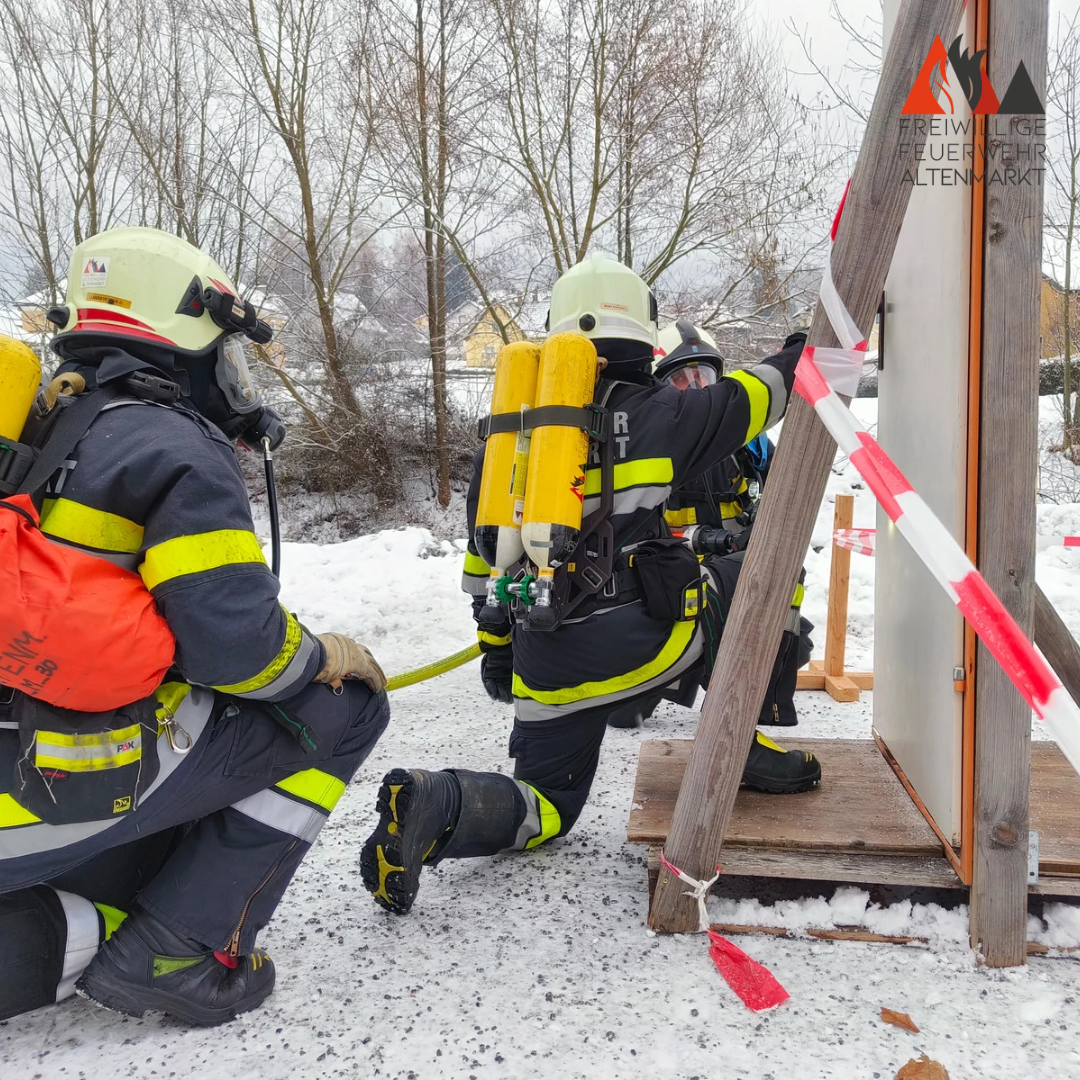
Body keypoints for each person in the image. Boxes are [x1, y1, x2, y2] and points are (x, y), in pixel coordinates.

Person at [0, 227, 389, 1026]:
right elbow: (238, 650)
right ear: (195, 333)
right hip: (38, 788)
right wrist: (324, 657)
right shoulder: (171, 443)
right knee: (342, 709)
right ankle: (177, 953)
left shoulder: (40, 425)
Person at [361, 252, 819, 919]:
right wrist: (806, 349)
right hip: (649, 643)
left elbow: (484, 563)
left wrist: (497, 649)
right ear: (644, 332)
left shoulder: (513, 438)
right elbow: (766, 390)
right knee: (751, 572)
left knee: (546, 808)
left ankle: (438, 801)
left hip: (546, 661)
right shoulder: (667, 415)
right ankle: (743, 745)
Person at [654, 319, 814, 728]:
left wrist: (764, 526)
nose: (697, 388)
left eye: (703, 375)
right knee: (625, 713)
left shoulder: (747, 439)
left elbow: (787, 485)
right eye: (681, 380)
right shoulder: (650, 445)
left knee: (787, 582)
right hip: (672, 574)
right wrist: (696, 538)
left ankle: (762, 704)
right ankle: (672, 676)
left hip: (738, 567)